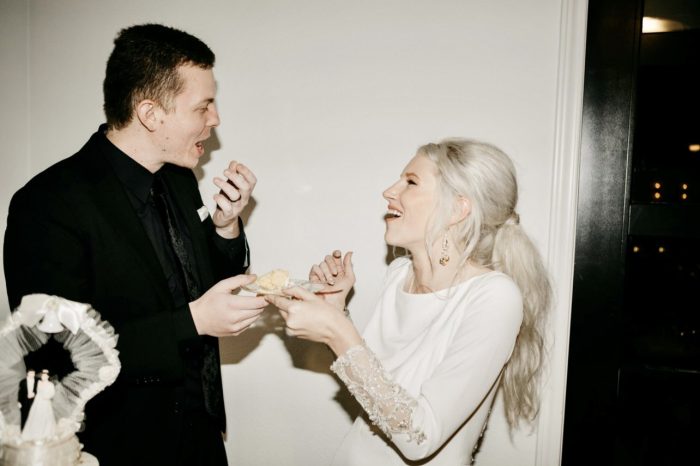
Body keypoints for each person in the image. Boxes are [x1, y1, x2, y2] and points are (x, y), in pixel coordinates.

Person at [3, 24, 268, 465]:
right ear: (150, 113)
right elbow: (56, 356)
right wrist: (193, 322)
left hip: (200, 438)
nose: (215, 119)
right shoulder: (48, 203)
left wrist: (224, 229)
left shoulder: (181, 181)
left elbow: (201, 287)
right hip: (121, 447)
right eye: (202, 106)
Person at [267, 139, 551, 465]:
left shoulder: (495, 297)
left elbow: (419, 437)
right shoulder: (399, 273)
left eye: (410, 182)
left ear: (458, 209)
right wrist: (336, 311)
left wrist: (336, 330)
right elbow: (381, 392)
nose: (389, 191)